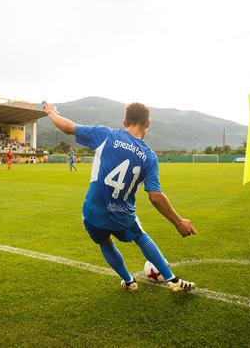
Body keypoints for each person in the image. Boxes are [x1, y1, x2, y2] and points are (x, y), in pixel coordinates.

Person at [43, 100, 197, 292]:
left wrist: (51, 113)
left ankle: (129, 281)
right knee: (140, 237)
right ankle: (171, 279)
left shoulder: (106, 135)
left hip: (94, 212)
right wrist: (178, 222)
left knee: (105, 242)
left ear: (125, 122)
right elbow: (155, 197)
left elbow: (68, 127)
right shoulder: (149, 156)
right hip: (123, 215)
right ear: (147, 123)